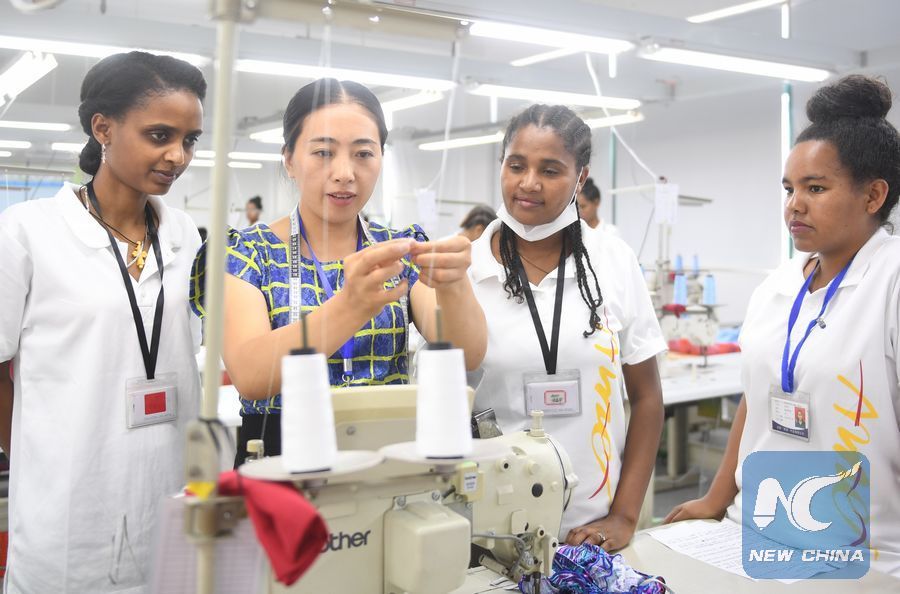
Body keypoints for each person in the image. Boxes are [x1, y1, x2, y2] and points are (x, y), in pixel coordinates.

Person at [664, 75, 900, 577]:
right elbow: (757, 398)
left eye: (816, 188)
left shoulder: (891, 281)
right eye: (790, 189)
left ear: (873, 195)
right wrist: (716, 497)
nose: (795, 204)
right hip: (753, 533)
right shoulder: (779, 285)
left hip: (866, 555)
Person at [191, 78, 486, 465]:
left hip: (388, 453)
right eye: (323, 152)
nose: (345, 172)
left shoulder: (400, 249)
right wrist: (351, 306)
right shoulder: (247, 253)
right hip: (282, 455)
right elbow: (250, 374)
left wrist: (455, 284)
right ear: (289, 159)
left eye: (364, 154)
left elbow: (468, 353)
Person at [0, 51, 206, 592]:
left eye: (189, 140)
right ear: (103, 128)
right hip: (70, 511)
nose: (178, 155)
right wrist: (42, 460)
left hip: (171, 492)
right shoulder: (27, 233)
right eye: (159, 135)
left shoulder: (184, 234)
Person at [468, 104, 665, 551]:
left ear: (581, 178)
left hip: (592, 532)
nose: (529, 183)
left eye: (550, 170)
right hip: (490, 528)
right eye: (516, 165)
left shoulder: (613, 262)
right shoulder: (466, 270)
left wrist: (624, 515)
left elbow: (648, 398)